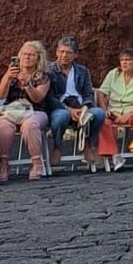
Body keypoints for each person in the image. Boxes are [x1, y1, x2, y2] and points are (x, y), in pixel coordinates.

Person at [0, 41, 54, 182]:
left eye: (31, 55)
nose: (27, 57)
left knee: (30, 125)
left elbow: (38, 98)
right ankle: (4, 164)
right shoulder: (12, 73)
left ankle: (36, 163)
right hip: (12, 111)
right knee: (4, 126)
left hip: (36, 111)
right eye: (25, 54)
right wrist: (7, 78)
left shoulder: (42, 76)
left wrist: (28, 85)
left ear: (38, 58)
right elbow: (0, 96)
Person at [47, 35, 105, 169]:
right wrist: (69, 110)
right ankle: (57, 146)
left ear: (75, 55)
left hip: (81, 107)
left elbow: (88, 93)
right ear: (56, 52)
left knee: (99, 113)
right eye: (61, 52)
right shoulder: (49, 71)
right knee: (61, 116)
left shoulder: (82, 71)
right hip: (60, 108)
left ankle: (87, 143)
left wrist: (85, 108)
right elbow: (50, 98)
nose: (64, 55)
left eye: (68, 52)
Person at [96, 49, 133, 170]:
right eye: (122, 60)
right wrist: (104, 109)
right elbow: (101, 93)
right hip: (115, 111)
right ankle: (115, 156)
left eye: (128, 60)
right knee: (103, 120)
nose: (124, 63)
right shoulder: (113, 74)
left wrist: (129, 114)